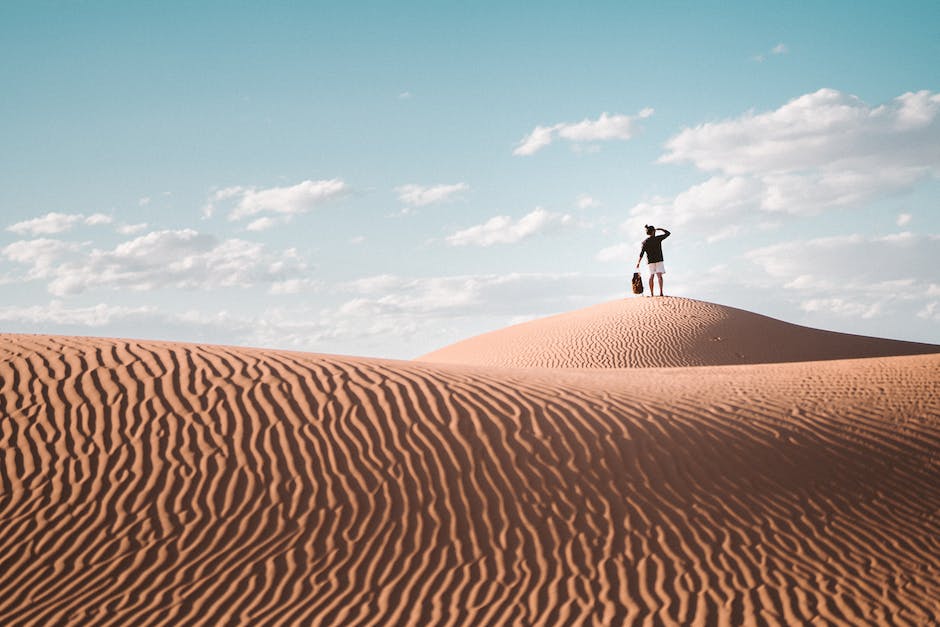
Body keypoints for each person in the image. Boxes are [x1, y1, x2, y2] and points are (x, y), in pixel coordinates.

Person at [636, 225, 670, 297]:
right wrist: (661, 229)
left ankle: (652, 294)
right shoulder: (658, 238)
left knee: (652, 276)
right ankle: (661, 293)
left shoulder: (645, 242)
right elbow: (668, 233)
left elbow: (641, 253)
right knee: (659, 276)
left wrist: (638, 262)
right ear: (654, 231)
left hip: (650, 261)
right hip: (659, 259)